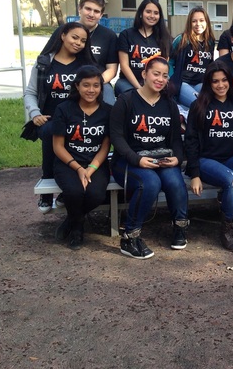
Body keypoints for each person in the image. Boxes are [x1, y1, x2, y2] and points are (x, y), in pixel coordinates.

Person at [110, 55, 188, 259]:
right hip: (128, 161)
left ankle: (180, 226)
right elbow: (116, 137)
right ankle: (129, 236)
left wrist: (177, 158)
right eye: (156, 74)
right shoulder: (126, 100)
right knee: (150, 183)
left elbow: (175, 140)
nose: (160, 79)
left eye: (165, 75)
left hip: (160, 158)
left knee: (174, 180)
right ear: (144, 74)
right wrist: (137, 160)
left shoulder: (169, 104)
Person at [25, 22, 96, 213]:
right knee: (50, 132)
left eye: (83, 41)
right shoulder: (44, 63)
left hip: (78, 119)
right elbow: (30, 92)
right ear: (63, 35)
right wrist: (35, 114)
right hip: (48, 119)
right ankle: (47, 190)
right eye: (74, 37)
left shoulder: (85, 66)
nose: (78, 43)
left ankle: (66, 190)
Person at [185, 61, 233, 251]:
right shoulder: (198, 106)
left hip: (232, 158)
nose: (220, 85)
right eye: (215, 81)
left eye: (224, 80)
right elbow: (190, 140)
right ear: (209, 83)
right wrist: (195, 174)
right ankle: (226, 230)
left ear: (230, 81)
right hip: (207, 160)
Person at [51, 65, 112, 249]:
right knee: (74, 192)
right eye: (86, 85)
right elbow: (57, 146)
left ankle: (71, 219)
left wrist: (91, 168)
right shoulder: (64, 109)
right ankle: (77, 228)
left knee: (96, 195)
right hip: (68, 162)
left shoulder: (108, 111)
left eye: (96, 85)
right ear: (77, 86)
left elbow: (106, 145)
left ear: (101, 87)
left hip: (96, 163)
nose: (91, 90)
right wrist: (78, 168)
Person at [41, 0, 118, 105]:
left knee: (110, 104)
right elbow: (46, 59)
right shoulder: (63, 31)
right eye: (88, 9)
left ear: (101, 15)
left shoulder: (109, 36)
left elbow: (112, 69)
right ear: (80, 9)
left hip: (98, 82)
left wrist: (95, 84)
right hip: (64, 80)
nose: (91, 14)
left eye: (96, 11)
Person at [115, 0, 172, 96]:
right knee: (134, 98)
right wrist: (140, 88)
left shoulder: (165, 38)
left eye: (156, 13)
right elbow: (124, 66)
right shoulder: (126, 35)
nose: (152, 16)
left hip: (154, 82)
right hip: (128, 81)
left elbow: (164, 64)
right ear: (141, 13)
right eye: (148, 12)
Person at [169, 7, 215, 108]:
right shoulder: (181, 40)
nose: (198, 24)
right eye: (194, 21)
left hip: (200, 83)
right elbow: (169, 61)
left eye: (201, 20)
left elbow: (210, 65)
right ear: (190, 23)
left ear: (207, 22)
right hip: (183, 84)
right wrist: (172, 80)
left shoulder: (210, 42)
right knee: (199, 104)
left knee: (212, 103)